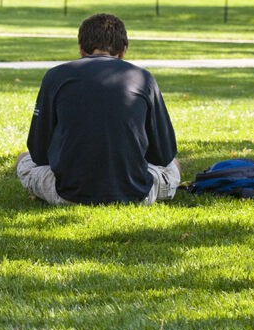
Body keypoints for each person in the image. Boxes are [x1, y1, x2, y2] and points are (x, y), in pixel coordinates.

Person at [17, 13, 179, 205]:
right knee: (173, 164)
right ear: (123, 51)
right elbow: (164, 154)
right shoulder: (144, 78)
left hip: (68, 193)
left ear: (81, 49)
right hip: (136, 193)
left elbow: (38, 151)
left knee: (23, 159)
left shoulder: (55, 76)